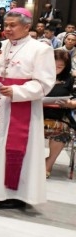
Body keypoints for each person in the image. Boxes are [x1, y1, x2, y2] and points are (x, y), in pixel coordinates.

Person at [0, 8, 56, 209]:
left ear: (27, 26)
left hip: (21, 106)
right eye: (5, 25)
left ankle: (13, 193)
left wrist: (17, 91)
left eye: (12, 25)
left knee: (14, 148)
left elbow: (45, 83)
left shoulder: (40, 49)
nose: (7, 29)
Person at [43, 49, 76, 178]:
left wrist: (70, 104)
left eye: (60, 66)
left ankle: (48, 164)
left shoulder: (70, 78)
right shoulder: (40, 75)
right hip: (37, 113)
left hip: (59, 115)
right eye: (53, 65)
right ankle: (31, 162)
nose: (56, 69)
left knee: (62, 131)